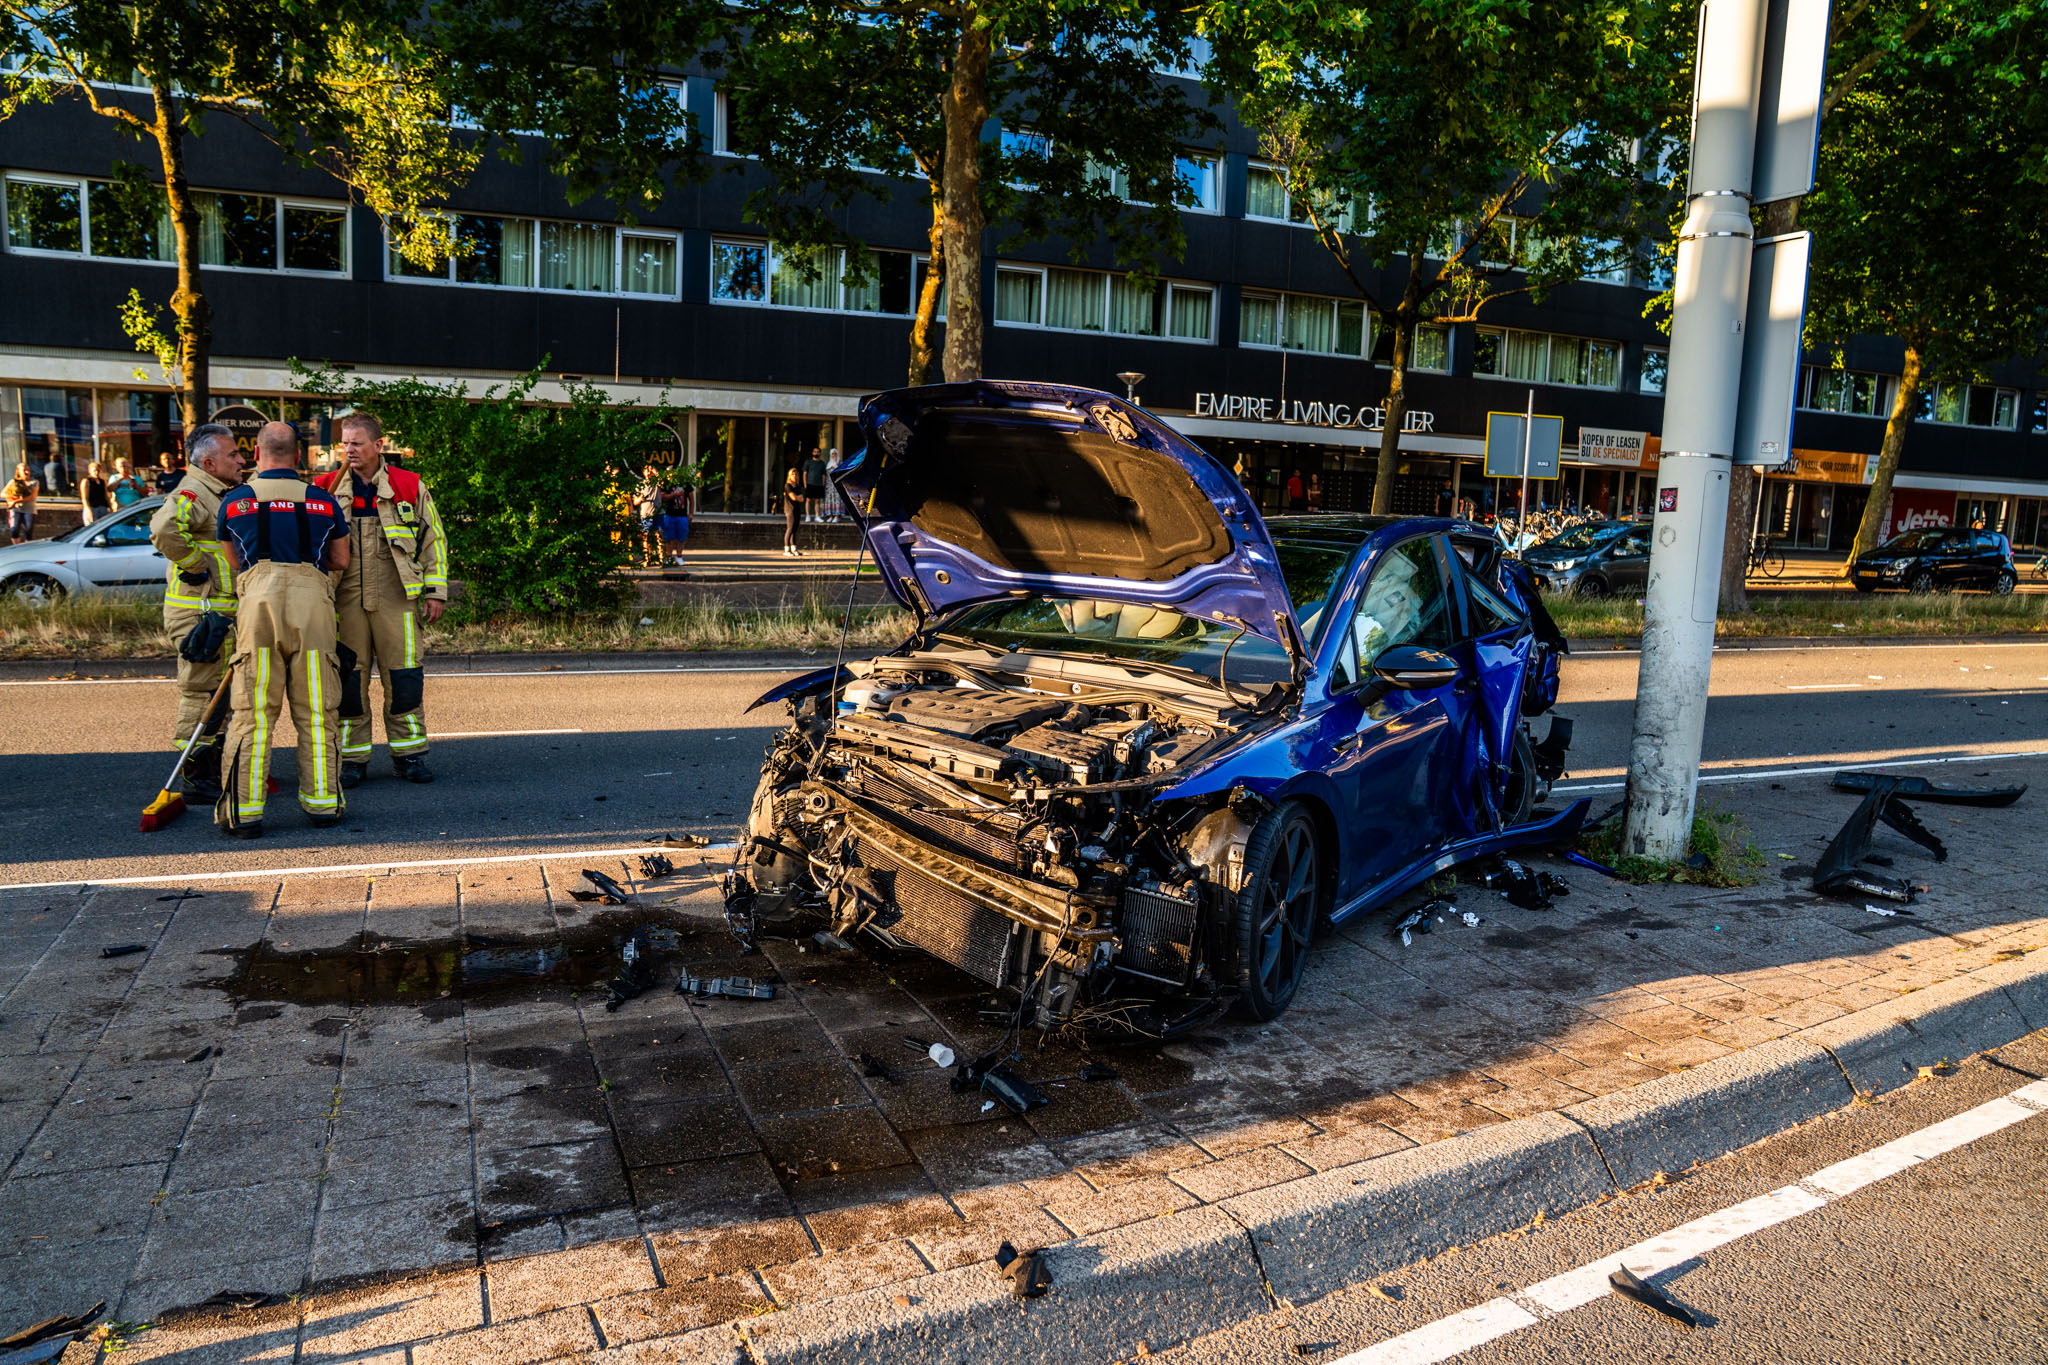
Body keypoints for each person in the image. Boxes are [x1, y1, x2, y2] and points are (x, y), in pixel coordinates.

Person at [214, 423, 350, 836]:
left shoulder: (235, 502)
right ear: (298, 456)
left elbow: (234, 561)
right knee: (316, 711)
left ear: (257, 454)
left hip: (259, 608)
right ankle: (324, 805)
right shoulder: (324, 502)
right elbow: (340, 559)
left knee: (252, 714)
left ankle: (244, 814)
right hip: (313, 609)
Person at [317, 411, 448, 786]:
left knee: (405, 679)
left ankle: (410, 756)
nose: (349, 450)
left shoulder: (410, 486)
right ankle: (351, 760)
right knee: (348, 682)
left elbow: (433, 540)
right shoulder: (326, 488)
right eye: (345, 443)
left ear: (379, 445)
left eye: (357, 443)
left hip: (398, 596)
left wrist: (435, 591)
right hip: (344, 599)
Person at [147, 424, 244, 799]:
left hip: (219, 612)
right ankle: (196, 772)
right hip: (199, 615)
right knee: (201, 691)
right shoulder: (194, 491)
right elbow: (164, 528)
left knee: (222, 692)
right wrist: (195, 563)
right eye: (232, 454)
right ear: (209, 462)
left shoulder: (220, 491)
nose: (240, 459)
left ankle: (217, 765)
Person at [657, 479, 692, 568]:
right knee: (668, 537)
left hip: (682, 515)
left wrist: (691, 513)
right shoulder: (666, 484)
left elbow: (692, 499)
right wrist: (674, 495)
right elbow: (662, 497)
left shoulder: (685, 484)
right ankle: (669, 556)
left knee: (682, 535)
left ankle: (679, 556)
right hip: (669, 514)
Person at [636, 464, 665, 567]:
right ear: (643, 472)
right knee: (646, 537)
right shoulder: (640, 485)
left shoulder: (656, 483)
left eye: (650, 470)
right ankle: (647, 559)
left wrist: (654, 470)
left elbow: (662, 480)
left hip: (658, 513)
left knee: (659, 535)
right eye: (646, 470)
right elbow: (635, 501)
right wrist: (640, 499)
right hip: (646, 514)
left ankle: (662, 559)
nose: (648, 472)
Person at [4, 462, 36, 544]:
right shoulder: (13, 482)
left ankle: (27, 549)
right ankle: (16, 548)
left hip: (29, 510)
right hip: (16, 509)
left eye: (28, 470)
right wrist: (12, 499)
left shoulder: (34, 482)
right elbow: (3, 493)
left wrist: (15, 501)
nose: (27, 472)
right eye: (24, 470)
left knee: (28, 531)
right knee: (14, 530)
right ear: (18, 471)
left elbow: (31, 497)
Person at [781, 456, 804, 557]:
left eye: (796, 474)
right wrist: (797, 497)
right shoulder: (787, 486)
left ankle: (794, 548)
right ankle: (786, 549)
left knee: (795, 529)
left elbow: (802, 498)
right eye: (793, 474)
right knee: (790, 528)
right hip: (790, 509)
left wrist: (798, 497)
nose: (795, 476)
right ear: (789, 476)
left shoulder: (798, 486)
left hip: (797, 509)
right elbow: (793, 497)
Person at [80, 461, 110, 525]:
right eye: (94, 471)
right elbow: (84, 498)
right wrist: (88, 510)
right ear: (90, 471)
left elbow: (106, 495)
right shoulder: (86, 481)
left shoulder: (102, 481)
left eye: (98, 471)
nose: (96, 473)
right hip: (92, 507)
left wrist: (109, 506)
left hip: (102, 508)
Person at [803, 445, 827, 523]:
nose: (816, 453)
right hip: (809, 483)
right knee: (808, 500)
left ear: (820, 453)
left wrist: (823, 484)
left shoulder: (822, 463)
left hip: (819, 484)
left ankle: (817, 516)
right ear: (813, 453)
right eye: (815, 451)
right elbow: (804, 474)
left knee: (817, 501)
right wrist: (805, 484)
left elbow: (823, 475)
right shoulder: (808, 462)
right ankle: (808, 516)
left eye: (818, 452)